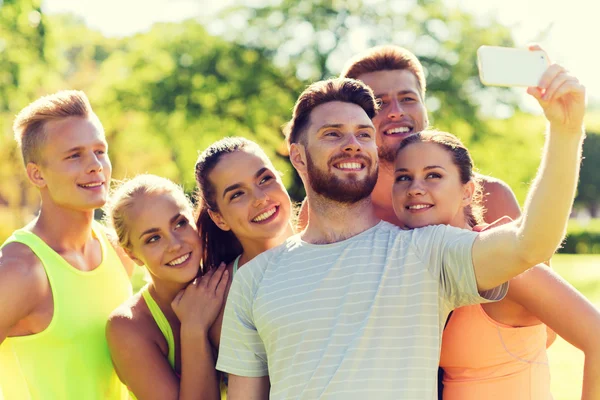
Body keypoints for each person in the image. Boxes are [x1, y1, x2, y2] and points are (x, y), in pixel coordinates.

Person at [216, 68, 586, 399]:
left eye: (363, 134)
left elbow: (530, 244)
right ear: (298, 157)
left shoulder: (426, 252)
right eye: (332, 134)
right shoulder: (254, 280)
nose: (352, 144)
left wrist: (565, 132)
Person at [393, 130, 600, 399]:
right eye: (403, 177)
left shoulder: (507, 266)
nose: (415, 188)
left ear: (467, 192)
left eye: (433, 175)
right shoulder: (417, 266)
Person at [0, 90, 133, 399]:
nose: (95, 165)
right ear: (37, 174)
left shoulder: (118, 251)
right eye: (74, 155)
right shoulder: (20, 270)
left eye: (100, 151)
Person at [340, 44, 522, 224]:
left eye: (408, 99)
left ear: (425, 110)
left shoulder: (491, 197)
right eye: (379, 102)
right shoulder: (335, 209)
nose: (397, 111)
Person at [105, 175, 227, 400]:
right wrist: (193, 328)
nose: (175, 245)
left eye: (180, 223)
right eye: (153, 239)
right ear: (132, 254)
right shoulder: (129, 327)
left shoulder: (229, 279)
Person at [194, 136, 295, 351]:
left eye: (265, 179)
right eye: (237, 194)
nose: (260, 198)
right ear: (219, 218)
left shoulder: (327, 247)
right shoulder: (220, 298)